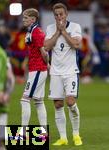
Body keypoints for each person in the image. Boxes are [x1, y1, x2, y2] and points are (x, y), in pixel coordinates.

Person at [44, 3, 83, 146]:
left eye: (61, 14)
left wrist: (64, 32)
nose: (59, 17)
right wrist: (57, 33)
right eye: (56, 15)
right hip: (55, 72)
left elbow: (77, 45)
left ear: (66, 14)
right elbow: (47, 46)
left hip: (71, 71)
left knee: (70, 102)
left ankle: (76, 134)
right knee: (58, 104)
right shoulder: (49, 28)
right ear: (54, 16)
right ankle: (63, 138)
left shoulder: (75, 27)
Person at [21, 8, 48, 127]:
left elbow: (44, 51)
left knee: (24, 99)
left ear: (33, 19)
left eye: (26, 18)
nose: (23, 20)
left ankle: (23, 132)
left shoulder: (36, 32)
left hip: (37, 69)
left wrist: (47, 63)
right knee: (39, 101)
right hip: (37, 69)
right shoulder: (32, 30)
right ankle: (44, 132)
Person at [0, 45, 15, 150]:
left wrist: (6, 94)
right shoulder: (2, 53)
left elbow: (10, 78)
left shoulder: (2, 54)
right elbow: (11, 78)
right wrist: (6, 94)